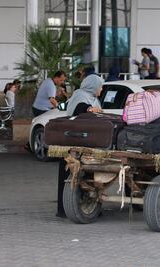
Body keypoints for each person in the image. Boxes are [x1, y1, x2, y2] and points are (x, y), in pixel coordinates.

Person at [57, 74, 103, 218]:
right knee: (69, 175)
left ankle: (89, 207)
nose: (101, 89)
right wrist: (89, 109)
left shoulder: (93, 98)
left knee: (88, 176)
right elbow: (80, 108)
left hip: (87, 141)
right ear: (93, 86)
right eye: (100, 86)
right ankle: (64, 208)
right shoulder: (80, 95)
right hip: (72, 140)